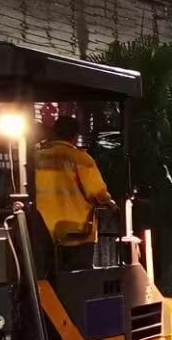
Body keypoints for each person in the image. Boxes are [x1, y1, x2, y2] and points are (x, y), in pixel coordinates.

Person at [32, 116, 115, 270]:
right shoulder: (81, 159)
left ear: (54, 133)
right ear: (75, 136)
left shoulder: (36, 158)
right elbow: (97, 193)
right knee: (77, 279)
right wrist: (110, 203)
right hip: (76, 233)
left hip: (42, 232)